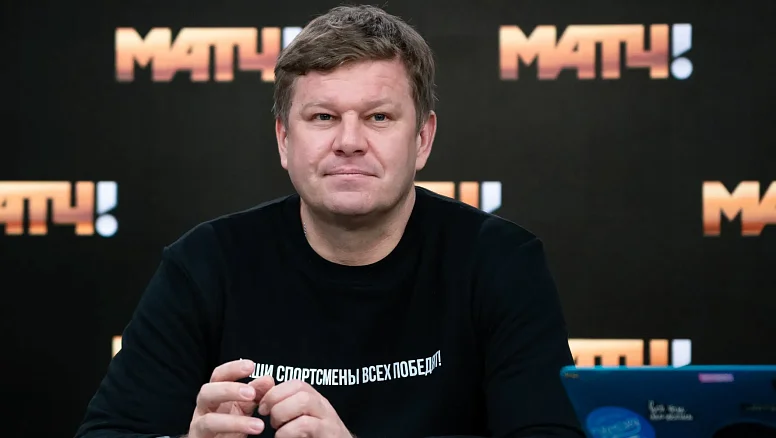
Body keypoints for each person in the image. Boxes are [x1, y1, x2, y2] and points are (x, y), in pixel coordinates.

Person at [74, 5, 585, 438]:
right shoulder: (206, 263)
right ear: (283, 139)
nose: (349, 142)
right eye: (323, 117)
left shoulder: (500, 262)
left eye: (379, 117)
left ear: (422, 139)